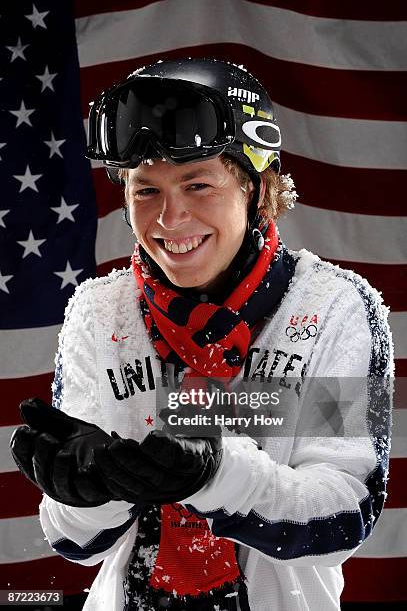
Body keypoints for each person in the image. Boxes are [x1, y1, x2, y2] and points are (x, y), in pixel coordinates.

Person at [10, 58, 394, 611]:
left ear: (257, 190)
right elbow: (74, 541)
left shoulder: (333, 307)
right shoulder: (100, 310)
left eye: (198, 183)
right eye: (146, 191)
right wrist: (88, 492)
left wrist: (216, 473)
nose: (170, 219)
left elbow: (344, 512)